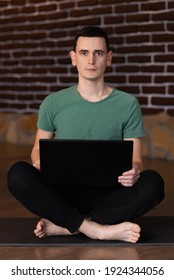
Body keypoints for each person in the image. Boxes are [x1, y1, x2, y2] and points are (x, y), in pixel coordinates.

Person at [7, 26, 164, 243]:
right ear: (73, 58)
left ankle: (67, 226)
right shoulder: (53, 102)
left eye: (98, 53)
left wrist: (135, 171)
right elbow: (37, 149)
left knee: (153, 183)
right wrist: (39, 161)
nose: (91, 60)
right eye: (84, 53)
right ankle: (97, 229)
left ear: (108, 58)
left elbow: (136, 159)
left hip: (108, 193)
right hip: (62, 192)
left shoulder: (128, 104)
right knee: (17, 174)